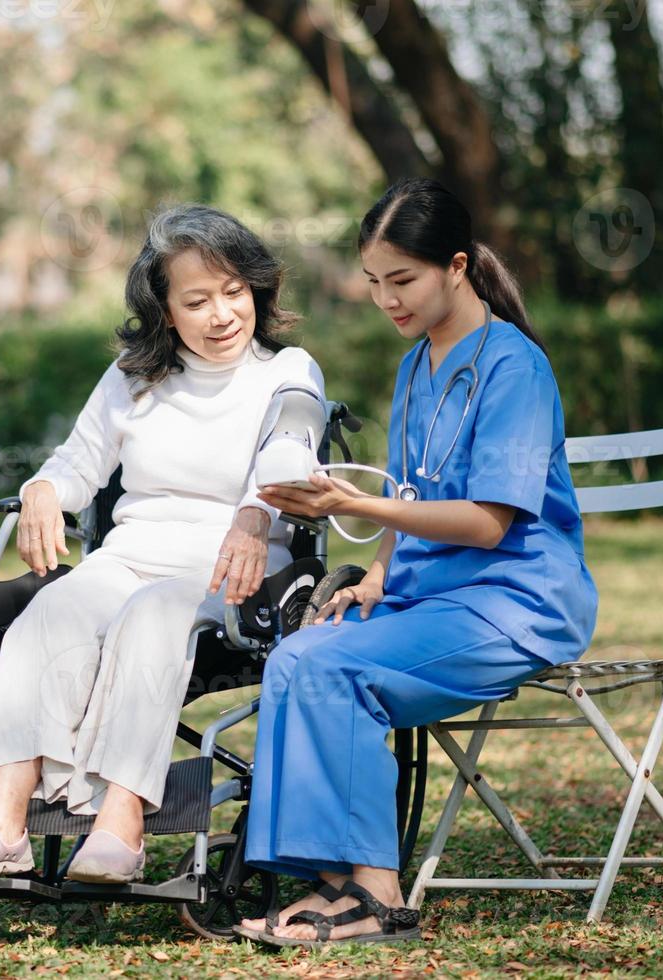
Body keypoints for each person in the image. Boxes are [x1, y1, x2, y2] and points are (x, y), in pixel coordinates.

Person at [235, 178, 598, 946]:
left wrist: (352, 507)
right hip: (431, 598)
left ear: (457, 266)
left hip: (516, 603)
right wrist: (376, 574)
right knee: (297, 657)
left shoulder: (514, 366)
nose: (385, 299)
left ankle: (378, 895)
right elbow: (411, 489)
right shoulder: (415, 366)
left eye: (401, 280)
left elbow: (488, 523)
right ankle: (331, 883)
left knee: (341, 671)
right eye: (373, 282)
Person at [0, 203, 325, 885]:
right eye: (197, 300)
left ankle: (122, 824)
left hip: (229, 571)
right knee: (46, 615)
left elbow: (289, 451)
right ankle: (2, 824)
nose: (222, 314)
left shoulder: (286, 370)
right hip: (129, 557)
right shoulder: (133, 376)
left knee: (153, 617)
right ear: (166, 311)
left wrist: (256, 514)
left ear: (257, 289)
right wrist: (44, 491)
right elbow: (75, 464)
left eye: (235, 292)